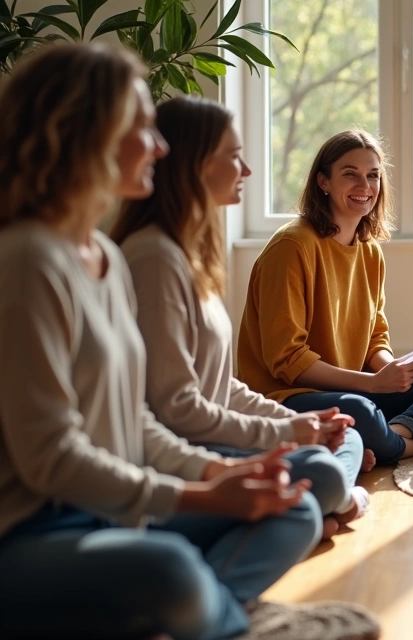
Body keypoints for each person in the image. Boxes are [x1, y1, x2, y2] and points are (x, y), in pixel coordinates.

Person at [0, 43, 376, 640]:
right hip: (39, 530)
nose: (159, 146)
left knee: (294, 504)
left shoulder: (104, 260)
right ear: (85, 131)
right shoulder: (29, 260)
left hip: (121, 509)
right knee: (172, 571)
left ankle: (190, 616)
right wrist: (202, 496)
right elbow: (53, 457)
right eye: (142, 127)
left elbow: (138, 421)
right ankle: (216, 617)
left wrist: (216, 478)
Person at [112, 96, 371, 540]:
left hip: (218, 428)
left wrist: (292, 426)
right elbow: (178, 408)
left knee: (347, 437)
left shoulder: (190, 252)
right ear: (194, 164)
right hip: (191, 447)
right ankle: (328, 502)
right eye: (234, 156)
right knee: (326, 466)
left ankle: (312, 508)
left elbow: (221, 384)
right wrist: (284, 429)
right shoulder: (155, 260)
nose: (247, 170)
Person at [236, 130, 413, 466]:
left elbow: (375, 336)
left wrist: (395, 370)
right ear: (324, 182)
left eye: (373, 175)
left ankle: (389, 435)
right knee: (359, 409)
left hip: (355, 387)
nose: (365, 186)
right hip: (288, 398)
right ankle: (404, 446)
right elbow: (287, 359)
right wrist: (374, 384)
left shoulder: (370, 252)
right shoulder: (292, 247)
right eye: (350, 174)